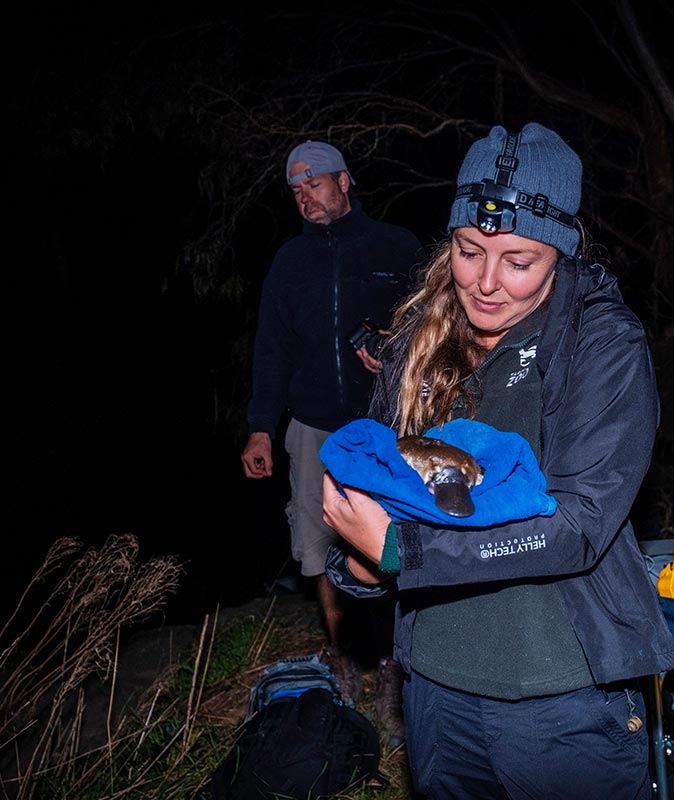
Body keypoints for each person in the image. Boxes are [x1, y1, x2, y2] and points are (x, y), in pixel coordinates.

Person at [321, 122, 674, 799]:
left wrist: (404, 552)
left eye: (518, 261)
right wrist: (359, 555)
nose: (486, 283)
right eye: (467, 250)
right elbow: (381, 480)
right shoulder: (416, 340)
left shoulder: (600, 345)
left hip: (562, 696)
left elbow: (578, 523)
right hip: (433, 685)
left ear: (562, 254)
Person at [240, 139, 423, 742]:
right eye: (295, 190)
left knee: (392, 543)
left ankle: (396, 674)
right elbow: (271, 350)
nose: (305, 197)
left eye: (314, 184)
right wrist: (261, 428)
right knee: (320, 548)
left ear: (344, 181)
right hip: (314, 427)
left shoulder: (396, 247)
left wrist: (393, 354)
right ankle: (344, 666)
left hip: (386, 427)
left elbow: (431, 330)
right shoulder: (289, 262)